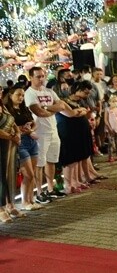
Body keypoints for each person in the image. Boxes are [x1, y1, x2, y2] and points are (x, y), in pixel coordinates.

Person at [25, 66, 71, 201]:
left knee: (51, 161)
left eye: (42, 76)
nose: (41, 79)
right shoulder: (30, 93)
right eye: (38, 76)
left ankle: (51, 188)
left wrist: (46, 108)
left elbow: (61, 105)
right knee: (39, 164)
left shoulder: (49, 91)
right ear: (31, 77)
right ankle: (39, 192)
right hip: (40, 132)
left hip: (53, 130)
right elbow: (38, 112)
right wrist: (51, 109)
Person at [6, 87, 41, 210]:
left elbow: (34, 123)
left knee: (33, 173)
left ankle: (30, 200)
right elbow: (9, 127)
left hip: (31, 140)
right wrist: (22, 129)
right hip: (20, 142)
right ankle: (24, 201)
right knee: (28, 174)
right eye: (18, 95)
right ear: (10, 95)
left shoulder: (24, 108)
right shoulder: (7, 110)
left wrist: (30, 129)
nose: (21, 97)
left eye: (22, 95)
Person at [55, 81, 92, 194]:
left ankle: (75, 181)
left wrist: (80, 111)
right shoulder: (63, 101)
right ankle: (68, 184)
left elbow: (86, 111)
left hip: (79, 131)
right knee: (70, 159)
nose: (87, 95)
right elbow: (71, 113)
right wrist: (79, 112)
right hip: (68, 132)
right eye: (85, 92)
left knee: (77, 158)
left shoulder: (81, 101)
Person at [0, 98, 22, 222]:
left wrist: (17, 133)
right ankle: (1, 209)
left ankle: (10, 204)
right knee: (0, 176)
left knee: (8, 175)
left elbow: (12, 122)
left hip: (8, 145)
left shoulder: (3, 106)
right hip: (5, 141)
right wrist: (11, 137)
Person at [105, 95, 117, 163]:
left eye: (116, 101)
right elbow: (106, 120)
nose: (115, 103)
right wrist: (109, 128)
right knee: (111, 143)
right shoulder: (107, 109)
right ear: (109, 102)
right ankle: (110, 156)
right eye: (113, 101)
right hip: (111, 129)